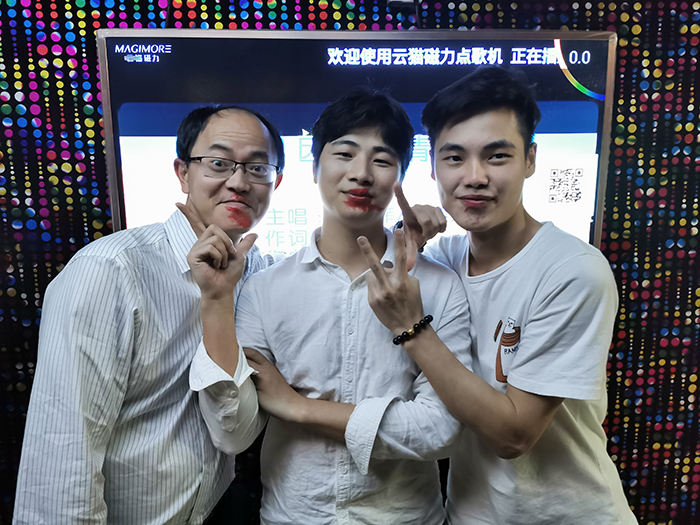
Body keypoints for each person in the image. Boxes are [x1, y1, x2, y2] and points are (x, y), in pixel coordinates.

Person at [359, 67, 638, 524]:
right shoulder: (443, 259)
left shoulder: (572, 271)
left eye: (497, 156)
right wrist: (403, 237)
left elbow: (513, 436)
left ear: (530, 159)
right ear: (433, 167)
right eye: (454, 158)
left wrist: (413, 329)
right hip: (469, 513)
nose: (474, 177)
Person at [192, 88, 472, 525]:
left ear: (401, 175)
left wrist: (297, 406)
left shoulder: (438, 285)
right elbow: (234, 432)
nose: (361, 174)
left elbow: (440, 430)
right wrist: (215, 299)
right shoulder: (265, 290)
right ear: (314, 167)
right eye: (344, 153)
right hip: (294, 516)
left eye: (382, 160)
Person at [13, 105, 284, 524]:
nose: (238, 182)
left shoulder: (258, 276)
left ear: (275, 182)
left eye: (257, 168)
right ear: (183, 173)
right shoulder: (111, 269)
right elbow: (64, 446)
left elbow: (235, 430)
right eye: (218, 163)